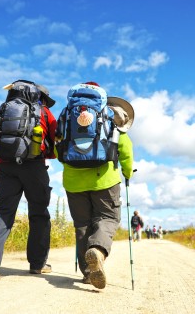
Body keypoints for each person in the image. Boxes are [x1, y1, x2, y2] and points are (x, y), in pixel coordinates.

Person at [56, 81, 134, 290]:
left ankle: (88, 272)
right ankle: (98, 251)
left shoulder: (67, 116)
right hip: (105, 179)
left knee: (82, 225)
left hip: (73, 181)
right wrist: (126, 172)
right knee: (108, 218)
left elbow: (58, 151)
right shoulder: (109, 116)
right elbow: (125, 149)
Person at [0, 81, 57, 281]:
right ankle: (38, 264)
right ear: (41, 97)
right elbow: (55, 141)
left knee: (3, 211)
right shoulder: (44, 112)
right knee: (39, 213)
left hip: (5, 166)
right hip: (34, 166)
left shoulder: (5, 110)